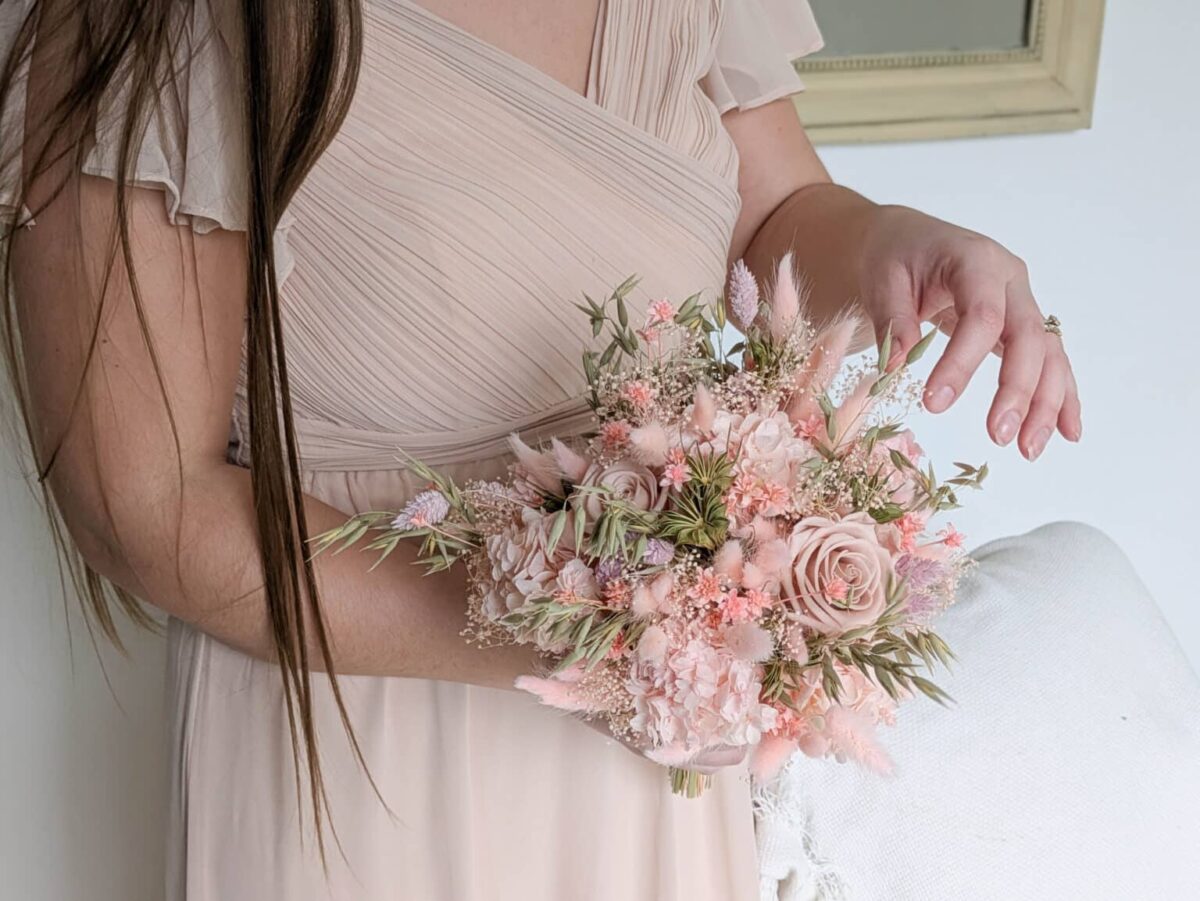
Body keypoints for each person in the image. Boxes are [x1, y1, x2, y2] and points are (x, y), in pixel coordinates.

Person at [1, 2, 1194, 899]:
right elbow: (142, 503)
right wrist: (606, 629)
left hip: (661, 744)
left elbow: (772, 213)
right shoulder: (160, 20)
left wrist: (898, 241)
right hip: (373, 733)